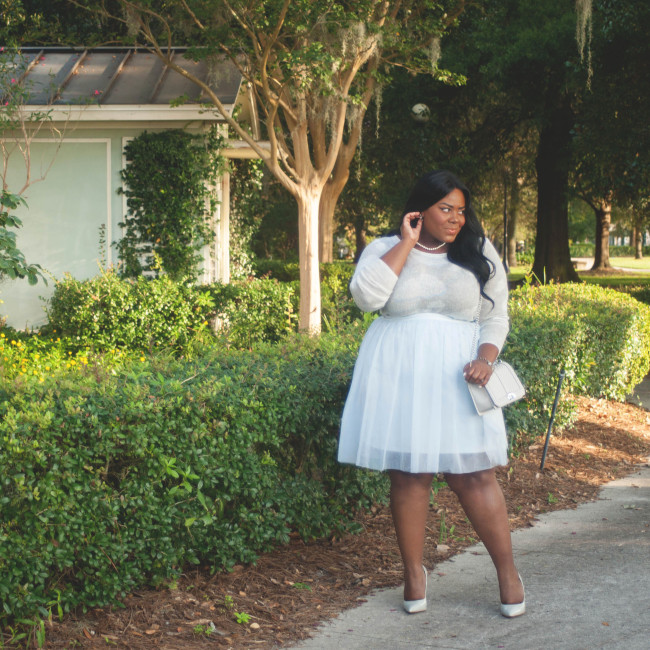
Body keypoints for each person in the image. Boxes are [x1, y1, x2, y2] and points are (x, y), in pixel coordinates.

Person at [338, 170, 525, 617]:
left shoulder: (478, 252)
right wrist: (406, 243)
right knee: (408, 474)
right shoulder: (383, 249)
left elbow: (495, 315)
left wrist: (486, 356)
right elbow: (366, 299)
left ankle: (507, 572)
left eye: (462, 210)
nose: (457, 218)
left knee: (474, 475)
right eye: (446, 209)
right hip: (400, 375)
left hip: (460, 375)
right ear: (420, 209)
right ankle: (414, 573)